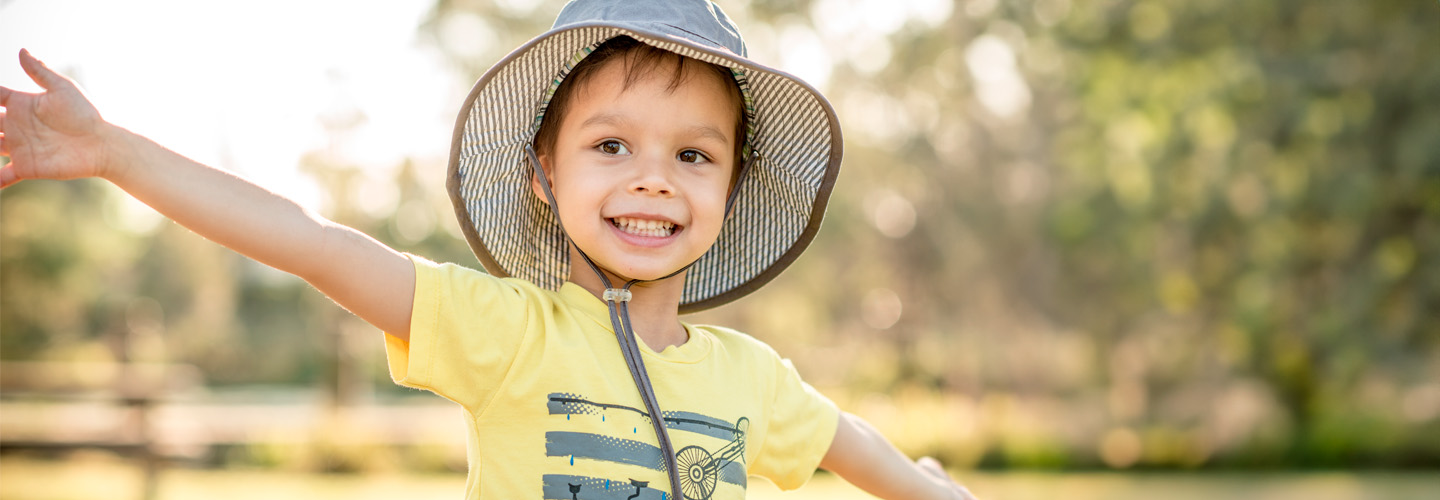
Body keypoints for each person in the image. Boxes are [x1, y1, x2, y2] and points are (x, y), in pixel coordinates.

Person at [0, 0, 978, 498]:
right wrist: (115, 152)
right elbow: (307, 241)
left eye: (692, 153)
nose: (652, 178)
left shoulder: (757, 381)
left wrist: (935, 486)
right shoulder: (505, 331)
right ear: (546, 175)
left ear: (730, 188)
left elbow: (874, 456)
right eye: (610, 146)